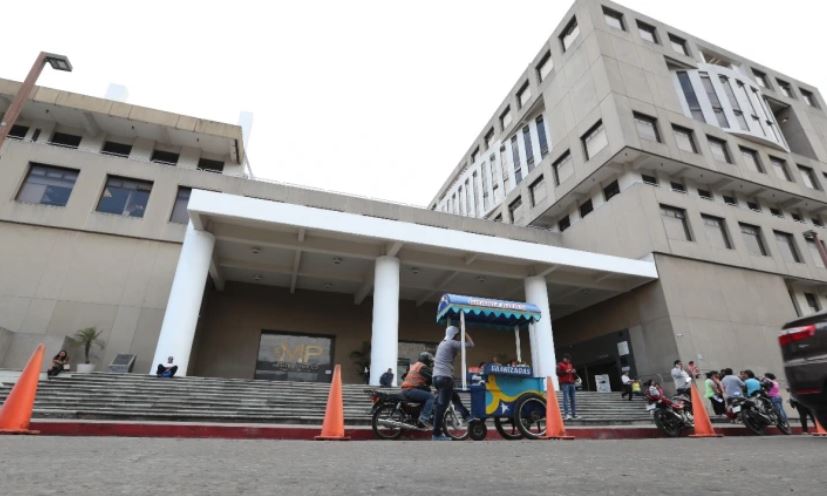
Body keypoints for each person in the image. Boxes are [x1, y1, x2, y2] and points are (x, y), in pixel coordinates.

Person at [431, 325, 474, 441]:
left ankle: (467, 416)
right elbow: (471, 344)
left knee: (455, 398)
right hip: (445, 378)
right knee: (442, 407)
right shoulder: (451, 343)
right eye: (457, 335)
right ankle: (436, 434)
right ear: (454, 335)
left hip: (436, 378)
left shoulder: (442, 343)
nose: (458, 337)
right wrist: (465, 332)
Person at [400, 352, 435, 427]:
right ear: (426, 360)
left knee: (425, 395)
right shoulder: (422, 367)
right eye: (430, 361)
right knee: (431, 397)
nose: (431, 363)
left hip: (406, 389)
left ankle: (418, 418)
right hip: (410, 390)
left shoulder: (414, 365)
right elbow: (432, 377)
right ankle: (424, 418)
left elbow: (404, 376)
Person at [557, 354, 578, 420]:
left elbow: (573, 374)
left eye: (569, 360)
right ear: (564, 358)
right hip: (565, 383)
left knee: (573, 399)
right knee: (566, 399)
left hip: (572, 383)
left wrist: (573, 372)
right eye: (567, 359)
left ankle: (574, 414)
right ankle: (566, 414)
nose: (568, 361)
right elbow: (558, 373)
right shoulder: (560, 364)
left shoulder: (570, 365)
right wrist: (565, 371)